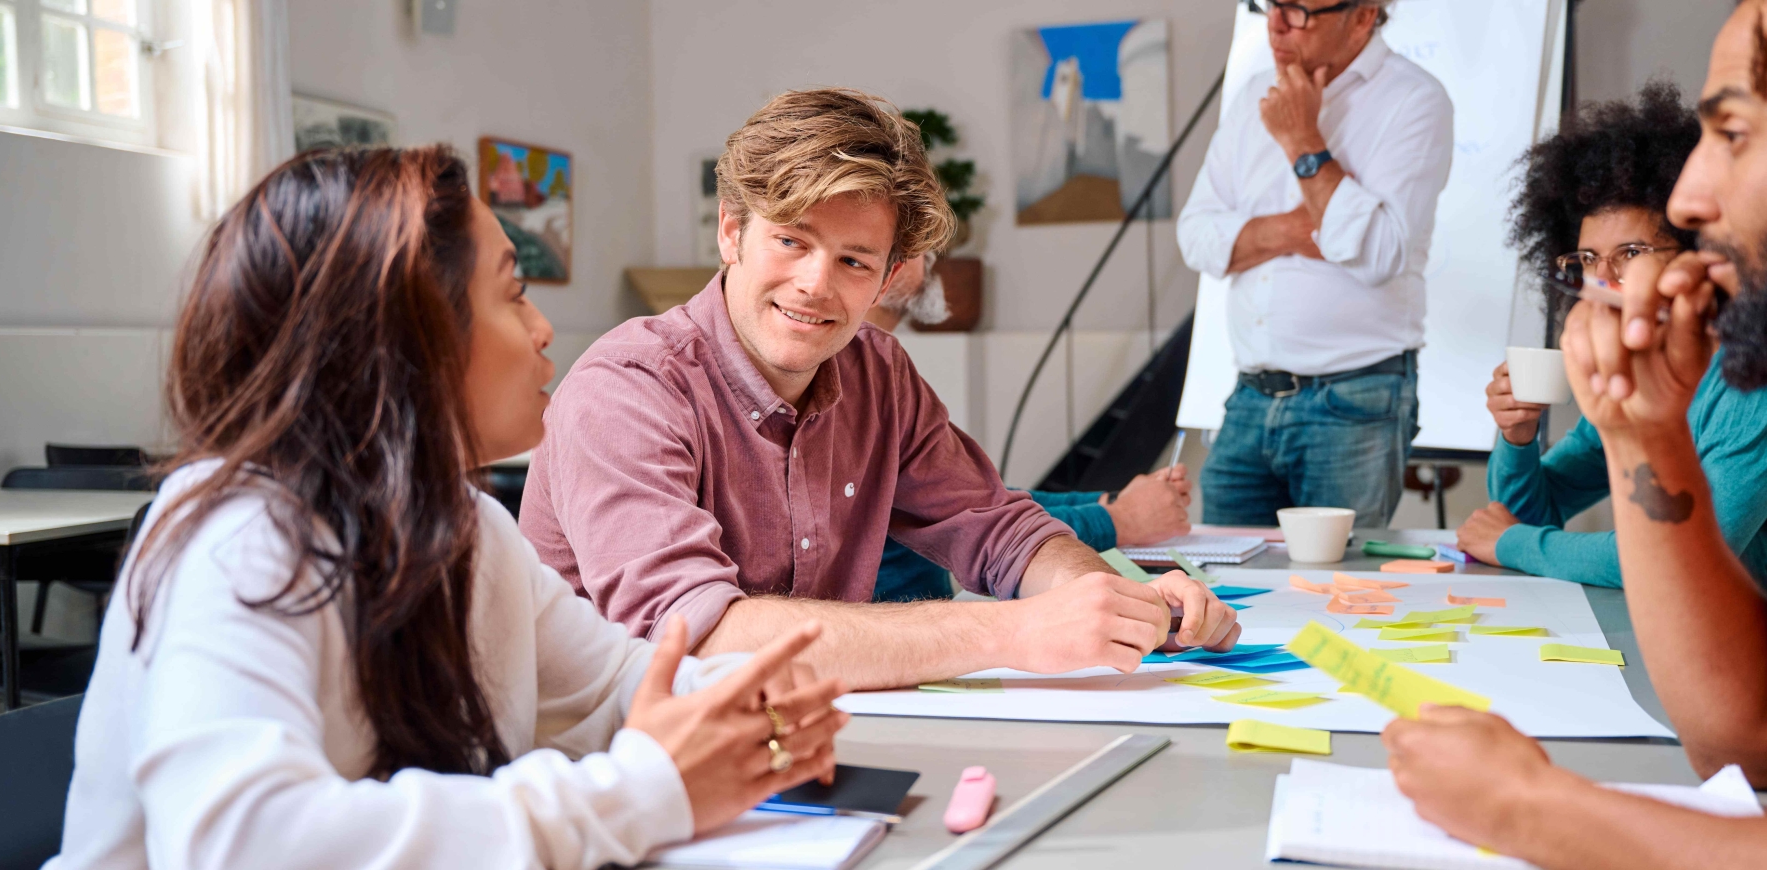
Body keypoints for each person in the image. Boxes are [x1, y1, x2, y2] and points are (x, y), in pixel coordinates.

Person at [48, 146, 849, 869]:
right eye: (516, 292)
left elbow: (613, 685)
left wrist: (752, 704)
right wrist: (638, 793)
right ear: (406, 332)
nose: (542, 331)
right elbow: (243, 842)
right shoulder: (243, 531)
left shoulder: (467, 528)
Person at [1386, 1, 1767, 862]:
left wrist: (1532, 809)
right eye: (1587, 261)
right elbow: (1750, 740)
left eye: (1734, 129)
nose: (1692, 201)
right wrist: (1636, 435)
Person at [519, 88, 1239, 692]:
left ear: (889, 276)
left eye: (854, 260)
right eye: (792, 241)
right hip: (615, 776)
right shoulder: (628, 389)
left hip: (797, 744)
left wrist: (1108, 600)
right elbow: (699, 637)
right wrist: (1012, 630)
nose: (816, 284)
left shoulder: (879, 372)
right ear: (732, 232)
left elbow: (995, 526)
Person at [1455, 81, 1767, 592]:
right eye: (1588, 259)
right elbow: (1532, 512)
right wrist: (1518, 436)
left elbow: (1680, 559)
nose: (1603, 281)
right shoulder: (1643, 365)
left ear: (1697, 250)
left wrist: (1513, 545)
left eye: (1631, 252)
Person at [1177, 0, 1453, 528]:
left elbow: (1376, 251)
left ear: (1364, 16)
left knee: (1340, 594)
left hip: (1354, 402)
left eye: (1299, 10)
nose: (1276, 24)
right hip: (1250, 398)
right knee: (1226, 591)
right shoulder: (1253, 92)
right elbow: (1195, 237)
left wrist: (1301, 138)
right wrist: (1307, 227)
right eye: (1270, 5)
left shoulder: (1414, 99)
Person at [858, 255, 1194, 602]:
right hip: (895, 638)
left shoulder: (888, 371)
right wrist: (1119, 519)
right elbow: (977, 521)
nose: (931, 257)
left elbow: (977, 500)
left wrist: (1109, 502)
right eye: (917, 248)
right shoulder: (855, 384)